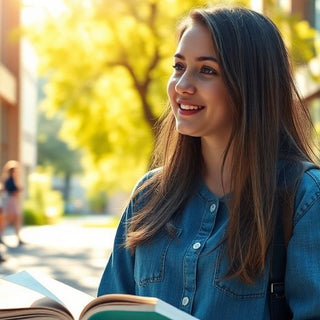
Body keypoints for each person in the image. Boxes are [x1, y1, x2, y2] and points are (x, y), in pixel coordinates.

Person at [97, 6, 320, 319]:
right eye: (178, 66)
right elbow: (110, 307)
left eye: (207, 71)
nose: (182, 85)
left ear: (250, 85)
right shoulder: (148, 196)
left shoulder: (304, 199)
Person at [1, 160, 24, 246]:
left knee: (16, 219)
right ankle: (1, 235)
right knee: (9, 219)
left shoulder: (13, 180)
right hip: (10, 200)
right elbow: (13, 191)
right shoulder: (9, 180)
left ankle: (18, 238)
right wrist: (19, 189)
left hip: (13, 200)